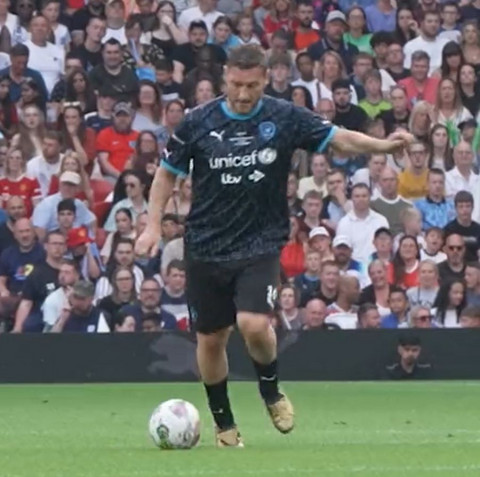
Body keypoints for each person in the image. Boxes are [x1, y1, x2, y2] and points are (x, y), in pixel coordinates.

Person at [136, 45, 413, 447]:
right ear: (224, 77)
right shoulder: (198, 121)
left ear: (265, 79)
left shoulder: (283, 117)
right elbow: (165, 176)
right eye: (236, 85)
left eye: (252, 85)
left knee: (252, 324)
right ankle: (224, 424)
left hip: (259, 242)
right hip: (205, 245)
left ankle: (270, 391)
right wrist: (151, 227)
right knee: (211, 339)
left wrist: (383, 146)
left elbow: (338, 140)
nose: (244, 94)